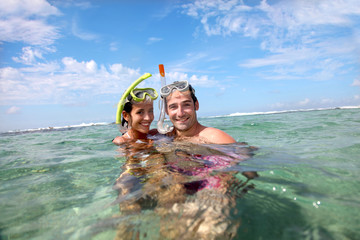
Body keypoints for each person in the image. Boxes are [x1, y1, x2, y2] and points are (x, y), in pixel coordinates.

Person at [159, 80, 236, 144]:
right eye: (173, 107)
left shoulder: (215, 139)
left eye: (186, 105)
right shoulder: (162, 137)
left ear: (196, 105)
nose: (180, 113)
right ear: (166, 111)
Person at [113, 75, 158, 145]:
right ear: (126, 116)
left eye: (150, 111)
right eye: (140, 112)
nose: (148, 118)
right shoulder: (122, 142)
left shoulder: (155, 134)